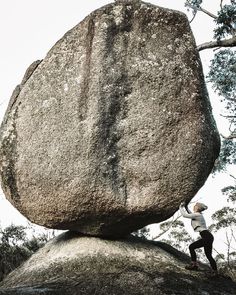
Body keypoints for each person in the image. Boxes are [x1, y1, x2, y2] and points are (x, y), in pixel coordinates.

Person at [179, 201, 218, 276]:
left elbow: (185, 215)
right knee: (208, 255)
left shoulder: (197, 215)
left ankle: (194, 265)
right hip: (208, 236)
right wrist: (186, 207)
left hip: (206, 236)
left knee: (191, 247)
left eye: (195, 206)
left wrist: (180, 207)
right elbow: (190, 214)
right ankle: (215, 272)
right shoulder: (198, 215)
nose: (194, 206)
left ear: (197, 208)